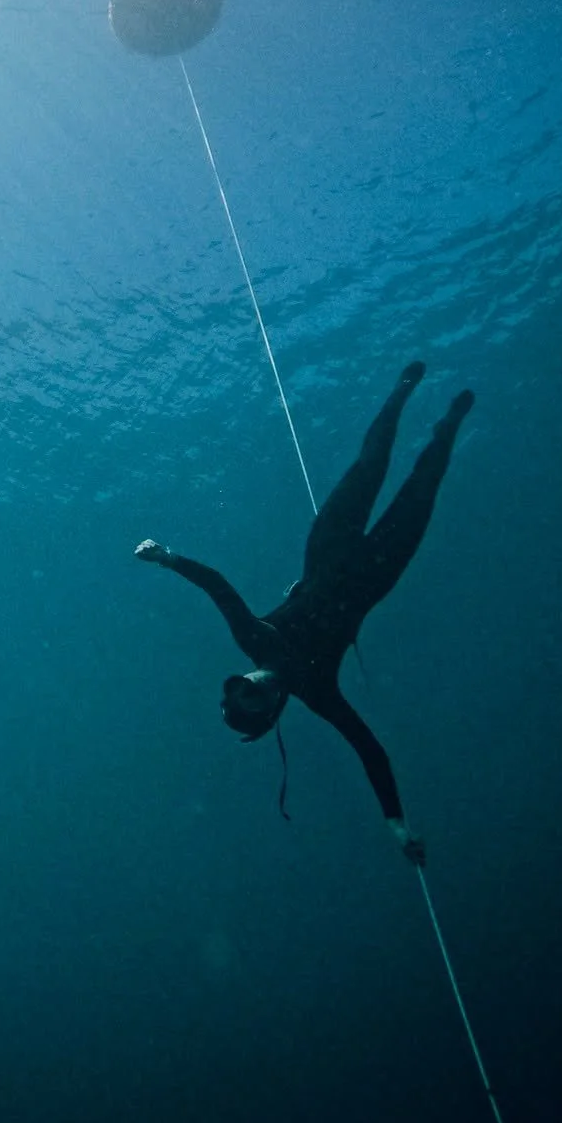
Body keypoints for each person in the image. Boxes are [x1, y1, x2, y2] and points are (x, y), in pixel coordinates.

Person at [134, 362, 474, 864]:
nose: (256, 685)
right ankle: (449, 425)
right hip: (374, 575)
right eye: (257, 698)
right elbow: (369, 750)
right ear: (272, 711)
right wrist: (398, 826)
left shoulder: (254, 639)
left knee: (371, 462)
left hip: (329, 549)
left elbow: (218, 586)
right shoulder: (317, 692)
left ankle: (402, 389)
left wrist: (167, 557)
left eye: (243, 685)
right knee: (424, 483)